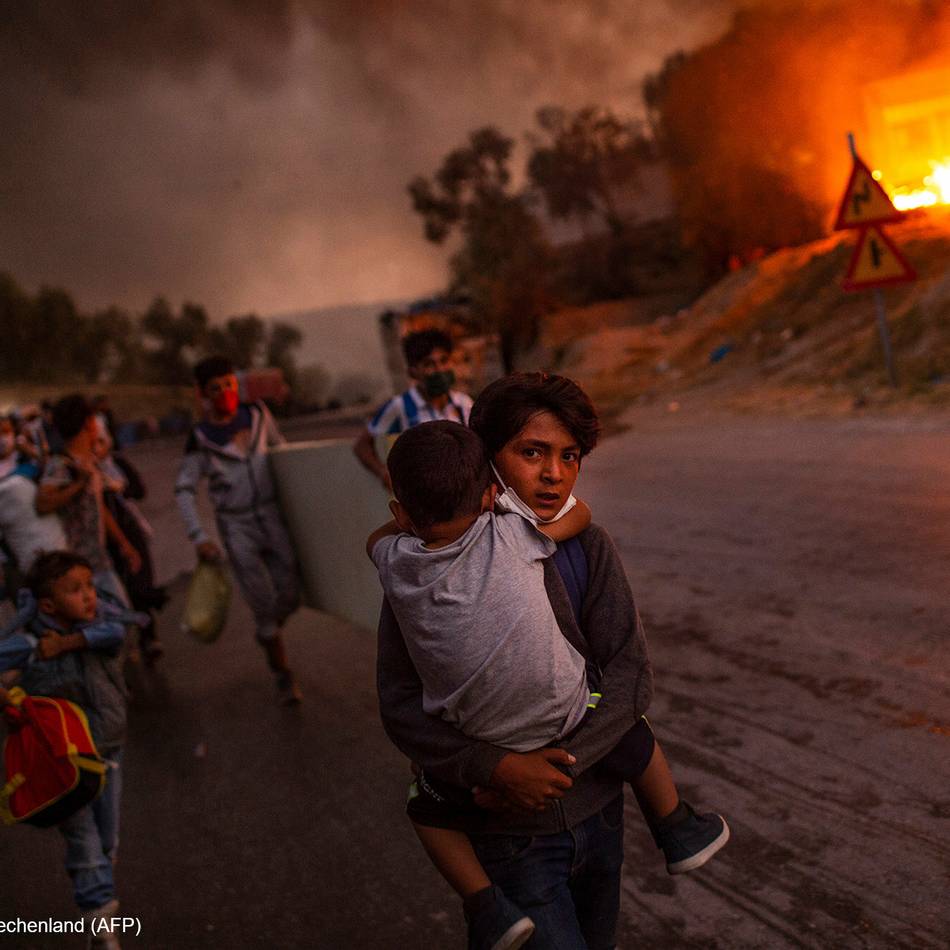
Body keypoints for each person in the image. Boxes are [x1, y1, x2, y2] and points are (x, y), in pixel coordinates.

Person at [377, 372, 727, 949]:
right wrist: (492, 767)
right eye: (531, 452)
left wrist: (559, 765)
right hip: (504, 838)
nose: (554, 474)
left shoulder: (588, 549)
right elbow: (401, 706)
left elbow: (629, 676)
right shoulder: (426, 574)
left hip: (600, 816)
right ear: (487, 463)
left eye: (570, 456)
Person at [0, 551, 148, 950]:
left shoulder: (101, 627)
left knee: (106, 841)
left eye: (89, 587)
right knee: (83, 841)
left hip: (109, 745)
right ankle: (103, 928)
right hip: (63, 758)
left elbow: (115, 634)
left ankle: (99, 915)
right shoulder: (30, 642)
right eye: (75, 590)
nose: (88, 597)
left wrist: (68, 642)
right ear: (47, 605)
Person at [174, 356, 303, 705]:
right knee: (260, 597)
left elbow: (281, 453)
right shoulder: (200, 439)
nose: (225, 393)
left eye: (229, 385)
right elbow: (184, 488)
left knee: (291, 587)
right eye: (215, 388)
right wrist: (198, 536)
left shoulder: (259, 414)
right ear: (202, 394)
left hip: (271, 514)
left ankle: (268, 629)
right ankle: (283, 674)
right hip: (236, 523)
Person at [36, 395, 140, 607]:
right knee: (114, 624)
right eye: (94, 419)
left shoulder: (88, 461)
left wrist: (123, 543)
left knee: (120, 618)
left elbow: (98, 506)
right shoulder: (61, 464)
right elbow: (42, 502)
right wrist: (79, 483)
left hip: (99, 559)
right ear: (88, 423)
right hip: (76, 567)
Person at [353, 327, 473, 488]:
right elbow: (362, 445)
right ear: (413, 371)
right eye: (429, 364)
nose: (439, 370)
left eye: (444, 361)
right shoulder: (400, 406)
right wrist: (383, 472)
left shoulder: (463, 404)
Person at [92, 415, 167, 663]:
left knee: (141, 584)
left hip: (133, 531)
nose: (97, 448)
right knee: (122, 592)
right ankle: (131, 643)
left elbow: (140, 490)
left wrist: (119, 487)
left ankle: (149, 637)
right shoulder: (87, 474)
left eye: (101, 442)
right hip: (110, 542)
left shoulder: (118, 465)